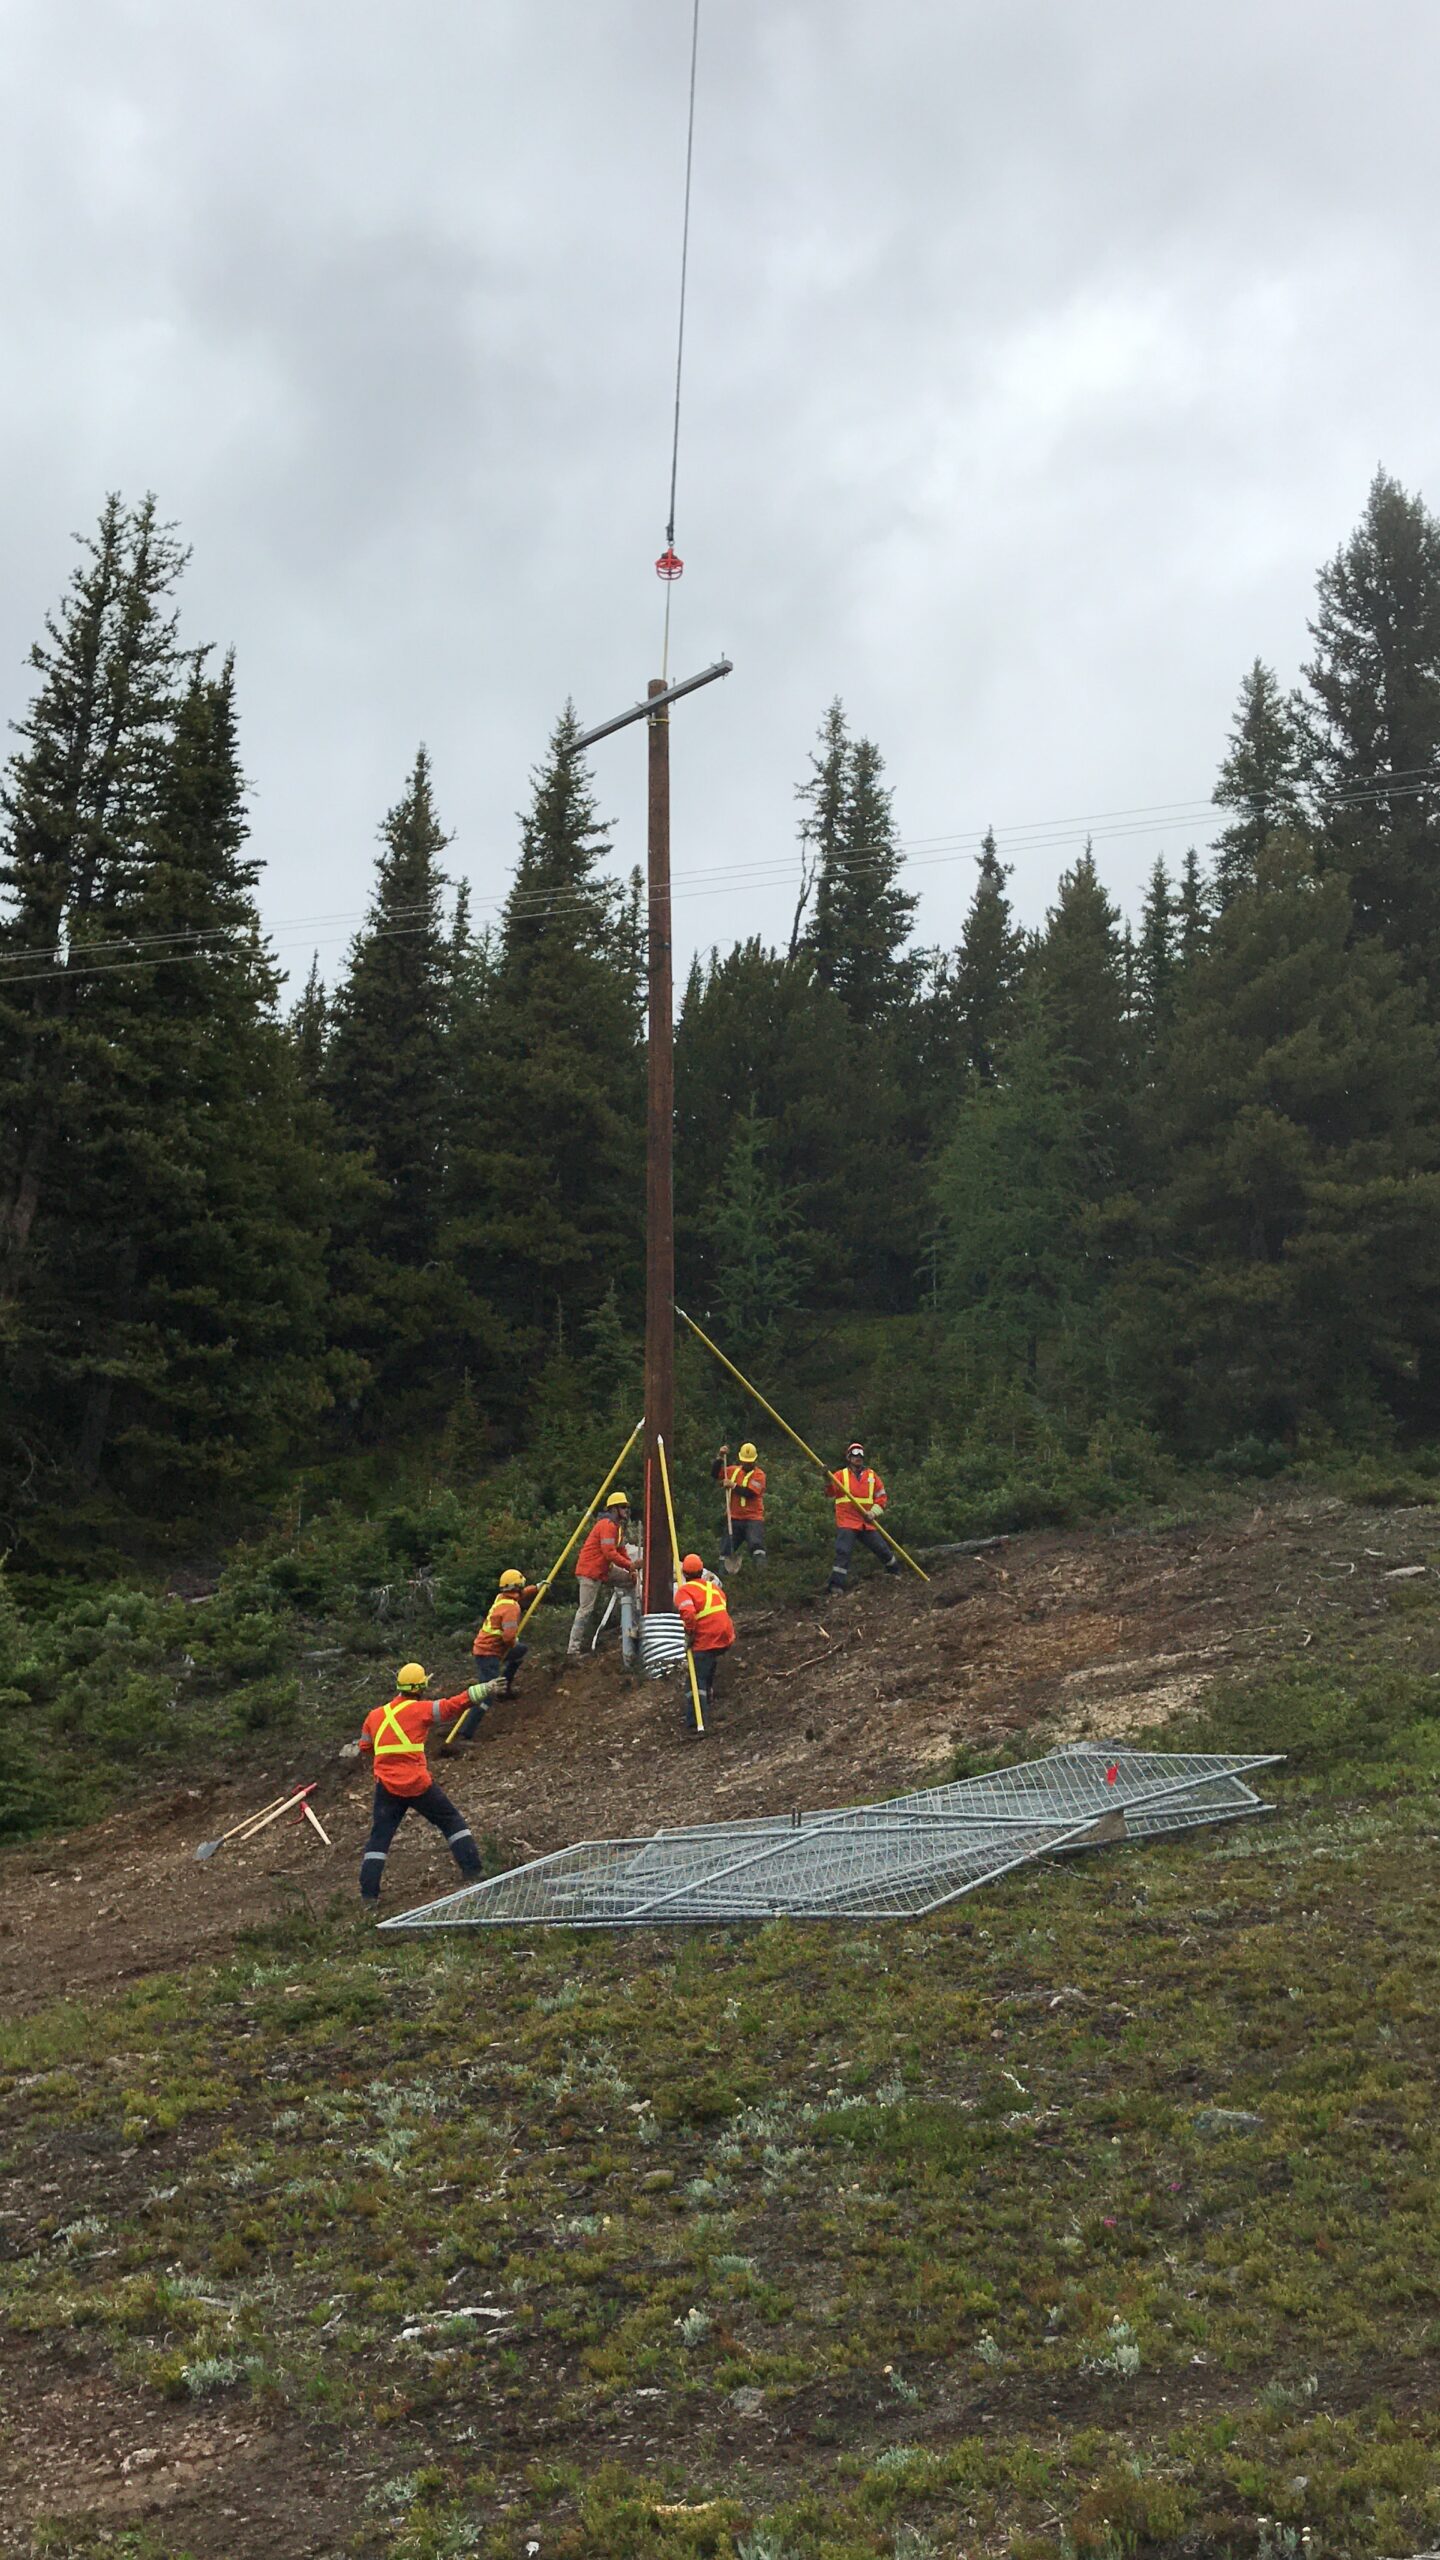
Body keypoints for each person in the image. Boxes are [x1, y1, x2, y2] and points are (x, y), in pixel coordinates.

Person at [353, 1661, 500, 1909]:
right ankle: (472, 1870)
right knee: (451, 1821)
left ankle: (369, 1896)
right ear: (421, 1686)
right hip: (417, 1784)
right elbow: (453, 1706)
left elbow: (365, 1747)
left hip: (386, 1787)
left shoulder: (375, 1716)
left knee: (379, 1839)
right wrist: (484, 1688)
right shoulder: (420, 1710)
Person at [825, 1441, 902, 1592]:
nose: (858, 1457)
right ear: (849, 1457)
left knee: (882, 1549)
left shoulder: (872, 1476)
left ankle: (895, 1573)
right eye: (854, 1454)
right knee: (843, 1552)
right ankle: (836, 1585)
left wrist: (873, 1513)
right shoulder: (840, 1475)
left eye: (860, 1454)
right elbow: (830, 1493)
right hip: (847, 1521)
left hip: (866, 1522)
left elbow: (882, 1498)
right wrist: (827, 1480)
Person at [568, 1490, 637, 1658]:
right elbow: (609, 1553)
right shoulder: (607, 1525)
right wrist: (630, 1565)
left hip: (602, 1570)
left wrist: (631, 1570)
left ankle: (629, 1624)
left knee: (630, 1581)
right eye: (623, 1507)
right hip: (590, 1572)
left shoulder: (617, 1527)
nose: (626, 1510)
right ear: (614, 1509)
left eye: (626, 1507)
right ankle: (572, 1650)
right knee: (585, 1609)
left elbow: (620, 1550)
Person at [675, 1551, 735, 1722]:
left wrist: (690, 1634)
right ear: (702, 1571)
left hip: (708, 1637)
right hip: (726, 1635)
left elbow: (688, 1614)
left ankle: (696, 1719)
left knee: (695, 1678)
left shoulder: (684, 1591)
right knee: (708, 1661)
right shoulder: (713, 1587)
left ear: (684, 1574)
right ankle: (708, 1697)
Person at [713, 1440, 767, 1572]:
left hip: (753, 1519)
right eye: (745, 1461)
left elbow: (749, 1493)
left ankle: (762, 1576)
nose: (747, 1463)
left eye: (750, 1461)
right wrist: (720, 1457)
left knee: (756, 1546)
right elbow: (715, 1474)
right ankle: (724, 1578)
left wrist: (732, 1485)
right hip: (735, 1518)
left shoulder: (759, 1475)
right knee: (726, 1549)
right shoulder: (733, 1471)